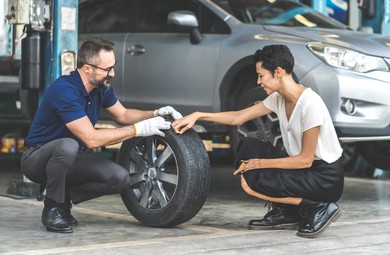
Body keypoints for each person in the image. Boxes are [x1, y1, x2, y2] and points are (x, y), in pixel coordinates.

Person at [173, 44, 344, 238]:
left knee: (258, 179)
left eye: (261, 75)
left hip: (324, 178)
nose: (258, 81)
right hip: (303, 169)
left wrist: (260, 163)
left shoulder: (310, 104)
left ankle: (319, 206)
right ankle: (287, 212)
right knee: (248, 147)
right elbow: (238, 117)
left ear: (278, 72)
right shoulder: (279, 98)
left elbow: (305, 160)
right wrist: (198, 115)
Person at [21, 37, 182, 234]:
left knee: (120, 178)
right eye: (107, 69)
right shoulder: (64, 90)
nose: (112, 73)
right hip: (37, 160)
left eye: (113, 67)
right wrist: (137, 130)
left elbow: (122, 115)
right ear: (87, 69)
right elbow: (91, 138)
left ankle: (63, 200)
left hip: (71, 160)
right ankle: (52, 208)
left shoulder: (100, 88)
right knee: (68, 146)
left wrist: (154, 114)